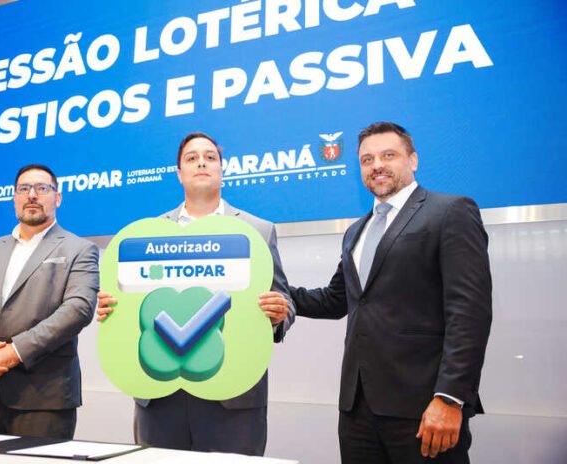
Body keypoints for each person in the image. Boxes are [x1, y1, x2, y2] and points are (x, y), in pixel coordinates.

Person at [290, 122, 492, 463]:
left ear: (412, 160)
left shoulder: (450, 212)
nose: (377, 165)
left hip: (424, 407)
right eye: (367, 160)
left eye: (388, 155)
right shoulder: (357, 230)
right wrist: (277, 290)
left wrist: (450, 397)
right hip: (357, 410)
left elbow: (469, 313)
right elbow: (336, 300)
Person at [96, 132, 295, 455]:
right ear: (179, 173)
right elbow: (129, 303)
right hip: (159, 394)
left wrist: (279, 313)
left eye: (210, 157)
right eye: (191, 158)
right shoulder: (148, 233)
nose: (201, 162)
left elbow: (285, 299)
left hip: (233, 397)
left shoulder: (257, 230)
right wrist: (112, 310)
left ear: (221, 169)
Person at [0, 164, 99, 438]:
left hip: (43, 398)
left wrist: (15, 351)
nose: (32, 195)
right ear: (14, 197)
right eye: (24, 188)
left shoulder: (79, 249)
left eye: (42, 188)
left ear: (57, 198)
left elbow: (78, 309)